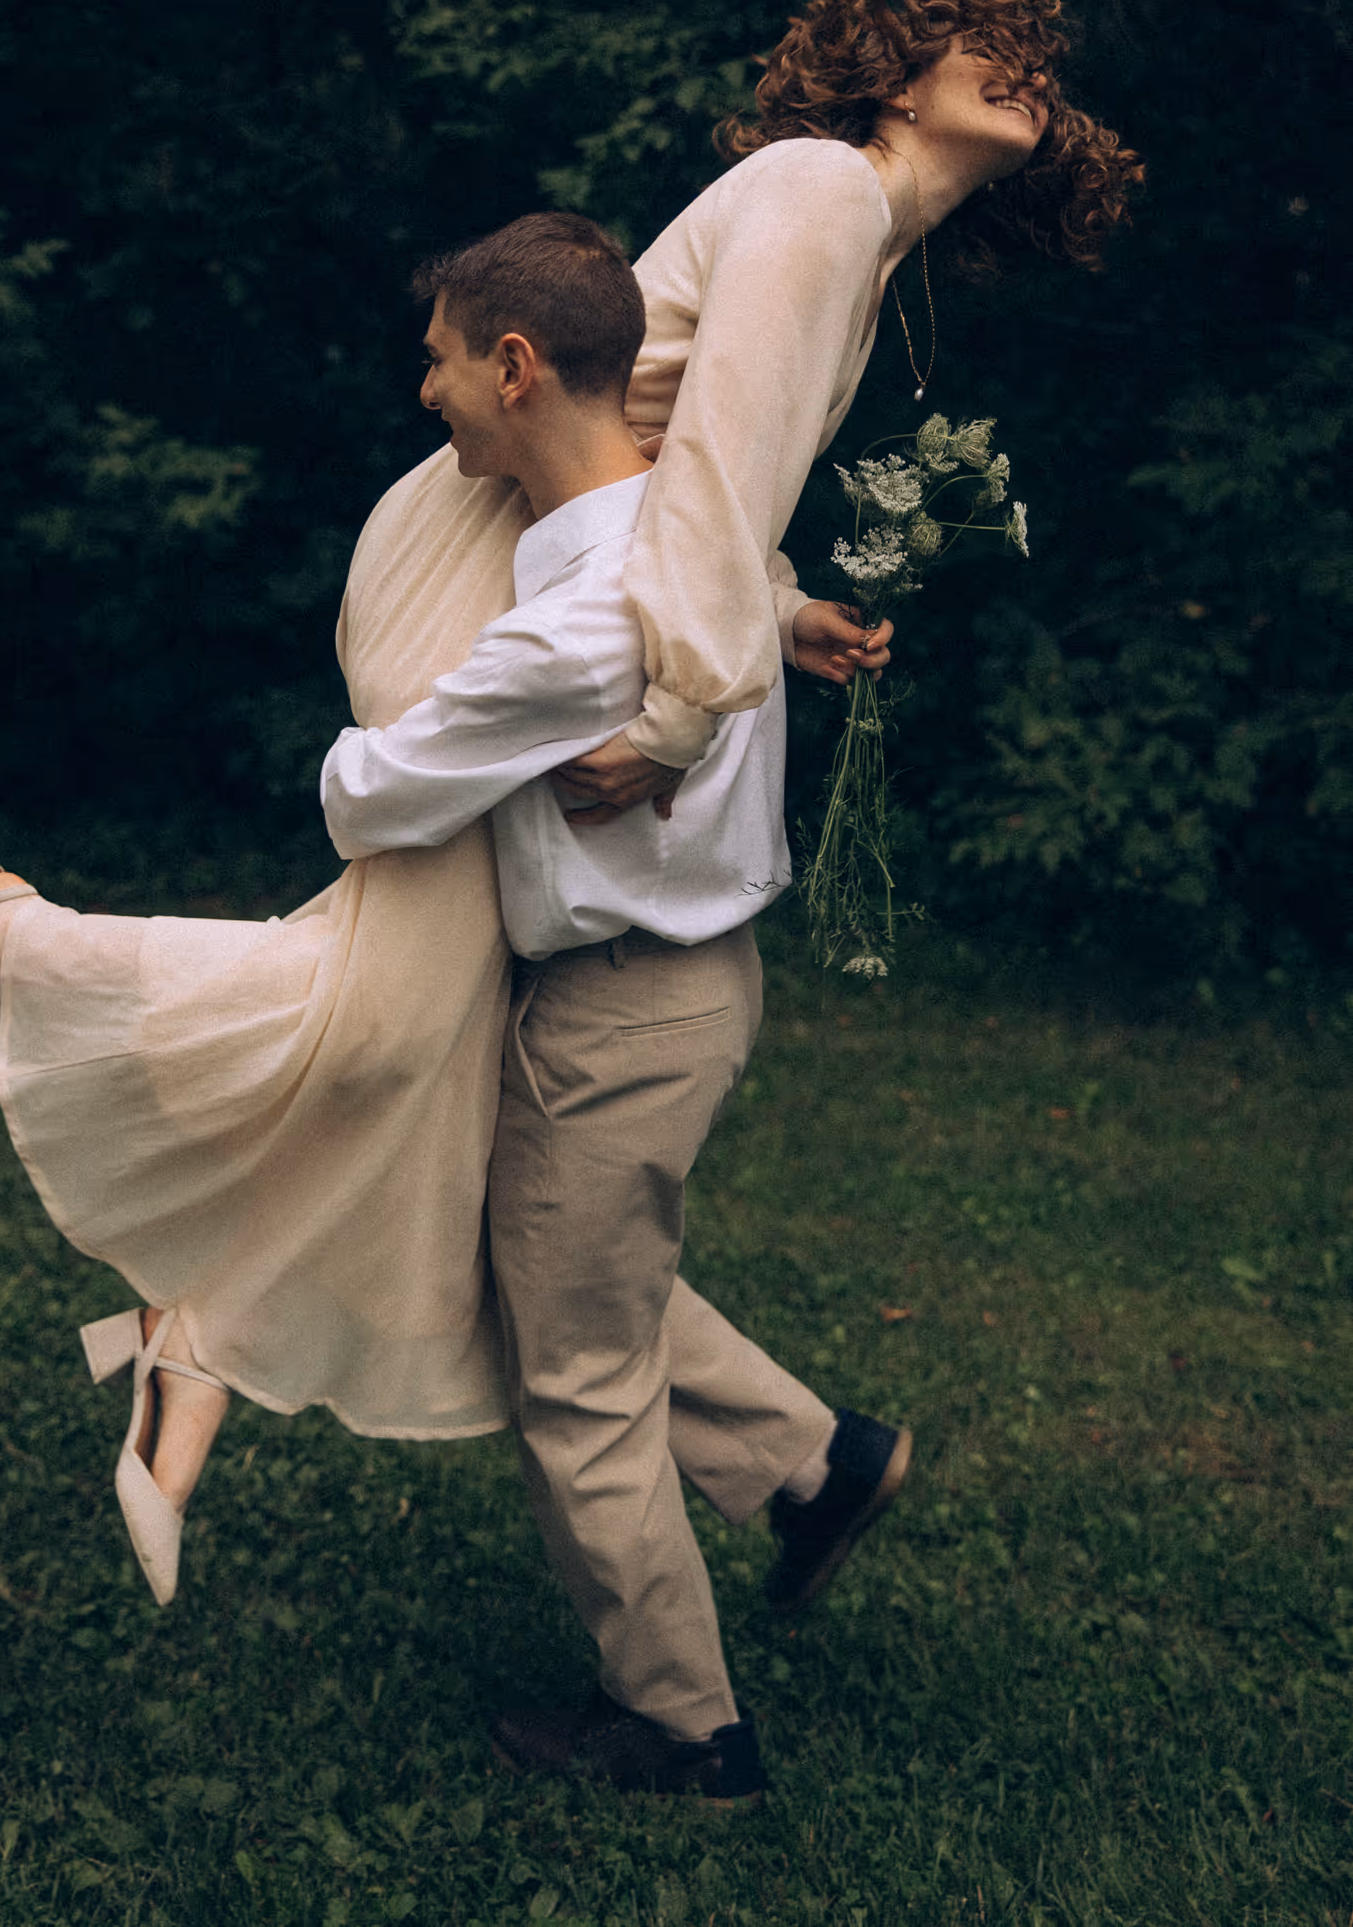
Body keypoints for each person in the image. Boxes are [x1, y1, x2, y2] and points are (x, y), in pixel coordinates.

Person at [0, 0, 1139, 1627]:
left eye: (1038, 47)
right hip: (485, 568)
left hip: (532, 569)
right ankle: (33, 983)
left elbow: (686, 489)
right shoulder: (829, 193)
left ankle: (800, 1460)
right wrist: (684, 714)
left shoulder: (860, 241)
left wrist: (770, 605)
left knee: (445, 1095)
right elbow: (682, 489)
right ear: (893, 71)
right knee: (385, 1029)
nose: (1019, 61)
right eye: (979, 36)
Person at [320, 213, 908, 1804]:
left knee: (571, 1374)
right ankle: (811, 1459)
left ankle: (681, 1726)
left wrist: (413, 711)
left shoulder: (578, 616)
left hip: (621, 1012)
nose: (426, 391)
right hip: (659, 993)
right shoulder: (703, 553)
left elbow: (364, 796)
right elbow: (734, 601)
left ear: (514, 366)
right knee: (559, 1287)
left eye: (439, 358)